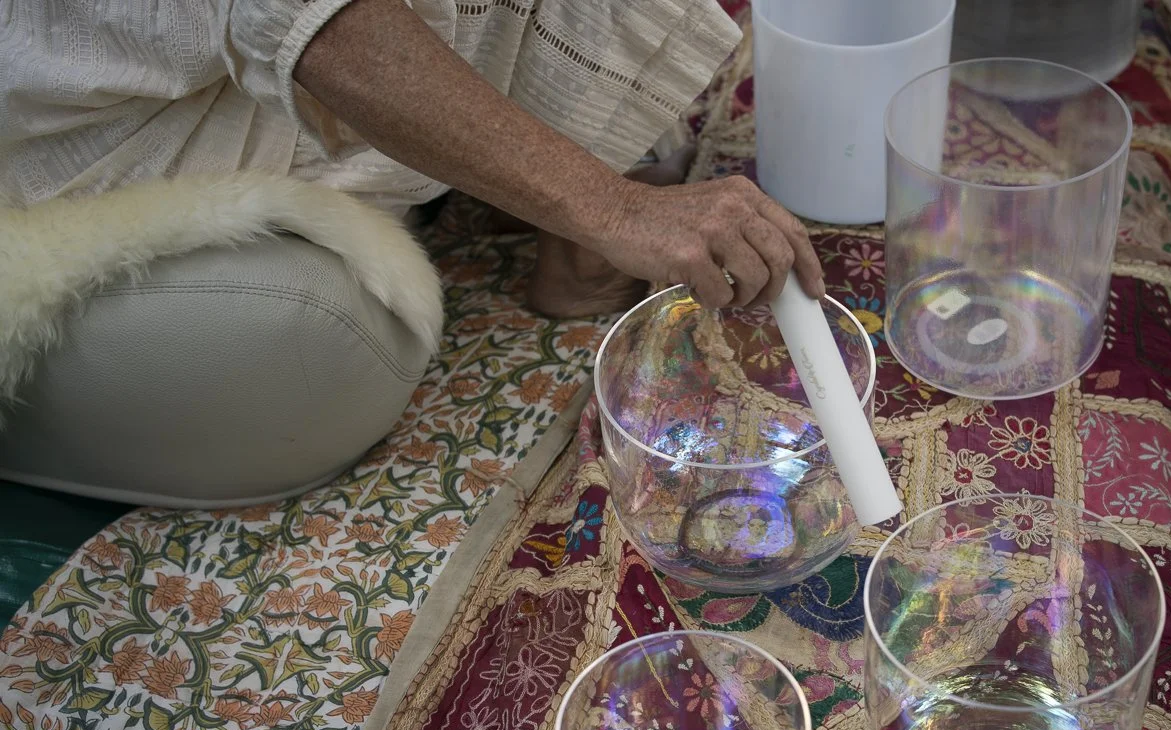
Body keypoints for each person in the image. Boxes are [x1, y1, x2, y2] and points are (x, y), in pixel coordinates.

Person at [0, 0, 824, 507]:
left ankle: (544, 174)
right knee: (321, 351)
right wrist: (614, 208)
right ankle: (543, 190)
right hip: (86, 140)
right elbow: (304, 17)